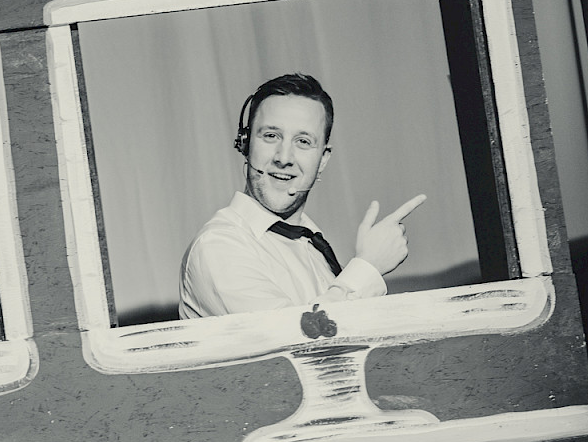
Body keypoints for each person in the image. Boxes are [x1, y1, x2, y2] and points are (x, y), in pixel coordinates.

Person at [179, 73, 426, 319]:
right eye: (271, 136)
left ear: (323, 160)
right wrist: (367, 266)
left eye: (303, 141)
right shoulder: (217, 247)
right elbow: (292, 338)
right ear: (245, 144)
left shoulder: (312, 246)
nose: (284, 158)